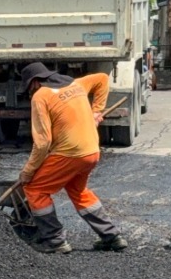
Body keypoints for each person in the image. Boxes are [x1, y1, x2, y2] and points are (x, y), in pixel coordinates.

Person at [16, 62, 127, 254]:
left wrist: (28, 171)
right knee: (78, 190)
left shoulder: (40, 96)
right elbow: (102, 79)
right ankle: (112, 236)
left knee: (35, 189)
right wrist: (96, 111)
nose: (29, 92)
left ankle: (54, 240)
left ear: (34, 82)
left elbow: (43, 142)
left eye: (28, 88)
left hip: (70, 154)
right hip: (91, 151)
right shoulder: (76, 84)